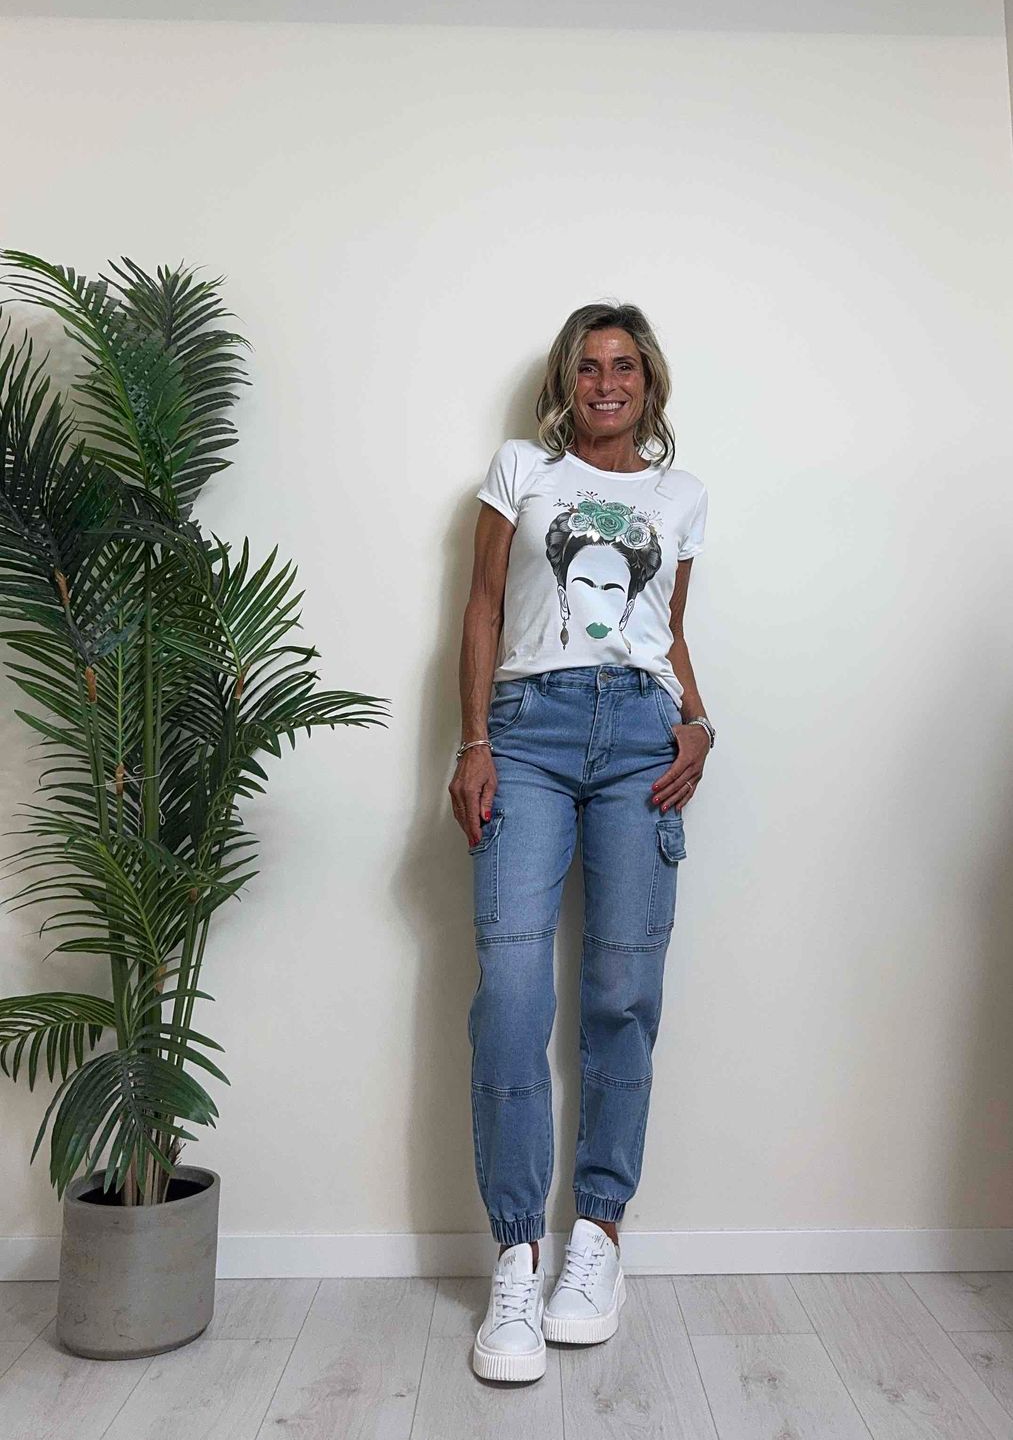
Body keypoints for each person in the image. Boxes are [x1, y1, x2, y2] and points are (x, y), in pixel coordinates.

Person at [449, 300, 715, 1384]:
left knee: (619, 993)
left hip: (642, 737)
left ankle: (597, 1239)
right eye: (588, 366)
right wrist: (472, 741)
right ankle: (517, 1253)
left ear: (648, 383)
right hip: (528, 731)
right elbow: (480, 609)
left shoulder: (680, 496)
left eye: (624, 367)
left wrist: (699, 721)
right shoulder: (520, 471)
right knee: (511, 993)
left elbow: (667, 633)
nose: (606, 383)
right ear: (566, 381)